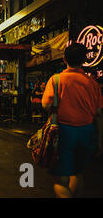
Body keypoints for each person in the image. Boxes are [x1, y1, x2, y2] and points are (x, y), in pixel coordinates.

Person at [42, 43, 102, 198]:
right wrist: (100, 141)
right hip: (87, 132)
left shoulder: (56, 80)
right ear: (83, 60)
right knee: (78, 174)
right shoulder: (93, 83)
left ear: (64, 59)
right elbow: (98, 113)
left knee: (61, 180)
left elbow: (46, 104)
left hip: (63, 132)